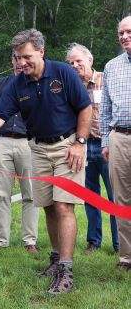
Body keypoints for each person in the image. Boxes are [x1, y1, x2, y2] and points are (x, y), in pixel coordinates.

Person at [0, 29, 92, 295]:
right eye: (18, 58)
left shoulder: (63, 73)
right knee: (49, 207)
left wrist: (80, 143)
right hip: (38, 148)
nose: (22, 63)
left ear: (41, 52)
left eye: (27, 57)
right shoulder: (17, 85)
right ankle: (55, 260)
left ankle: (66, 271)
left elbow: (85, 107)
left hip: (68, 146)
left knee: (65, 206)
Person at [0, 54, 39, 253]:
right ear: (12, 61)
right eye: (15, 58)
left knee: (30, 193)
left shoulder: (35, 85)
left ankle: (30, 240)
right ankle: (0, 241)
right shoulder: (0, 85)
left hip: (27, 143)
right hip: (3, 141)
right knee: (0, 193)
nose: (20, 63)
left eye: (23, 58)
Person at [66, 43, 119, 254]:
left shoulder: (107, 80)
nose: (75, 65)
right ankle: (94, 241)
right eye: (71, 63)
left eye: (79, 60)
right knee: (90, 196)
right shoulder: (71, 86)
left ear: (90, 60)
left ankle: (119, 244)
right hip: (84, 147)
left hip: (108, 144)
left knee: (116, 196)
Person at [100, 15, 131, 270]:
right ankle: (127, 257)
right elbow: (106, 108)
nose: (124, 36)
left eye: (129, 32)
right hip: (119, 138)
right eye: (121, 33)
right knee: (121, 199)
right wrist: (105, 143)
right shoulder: (111, 66)